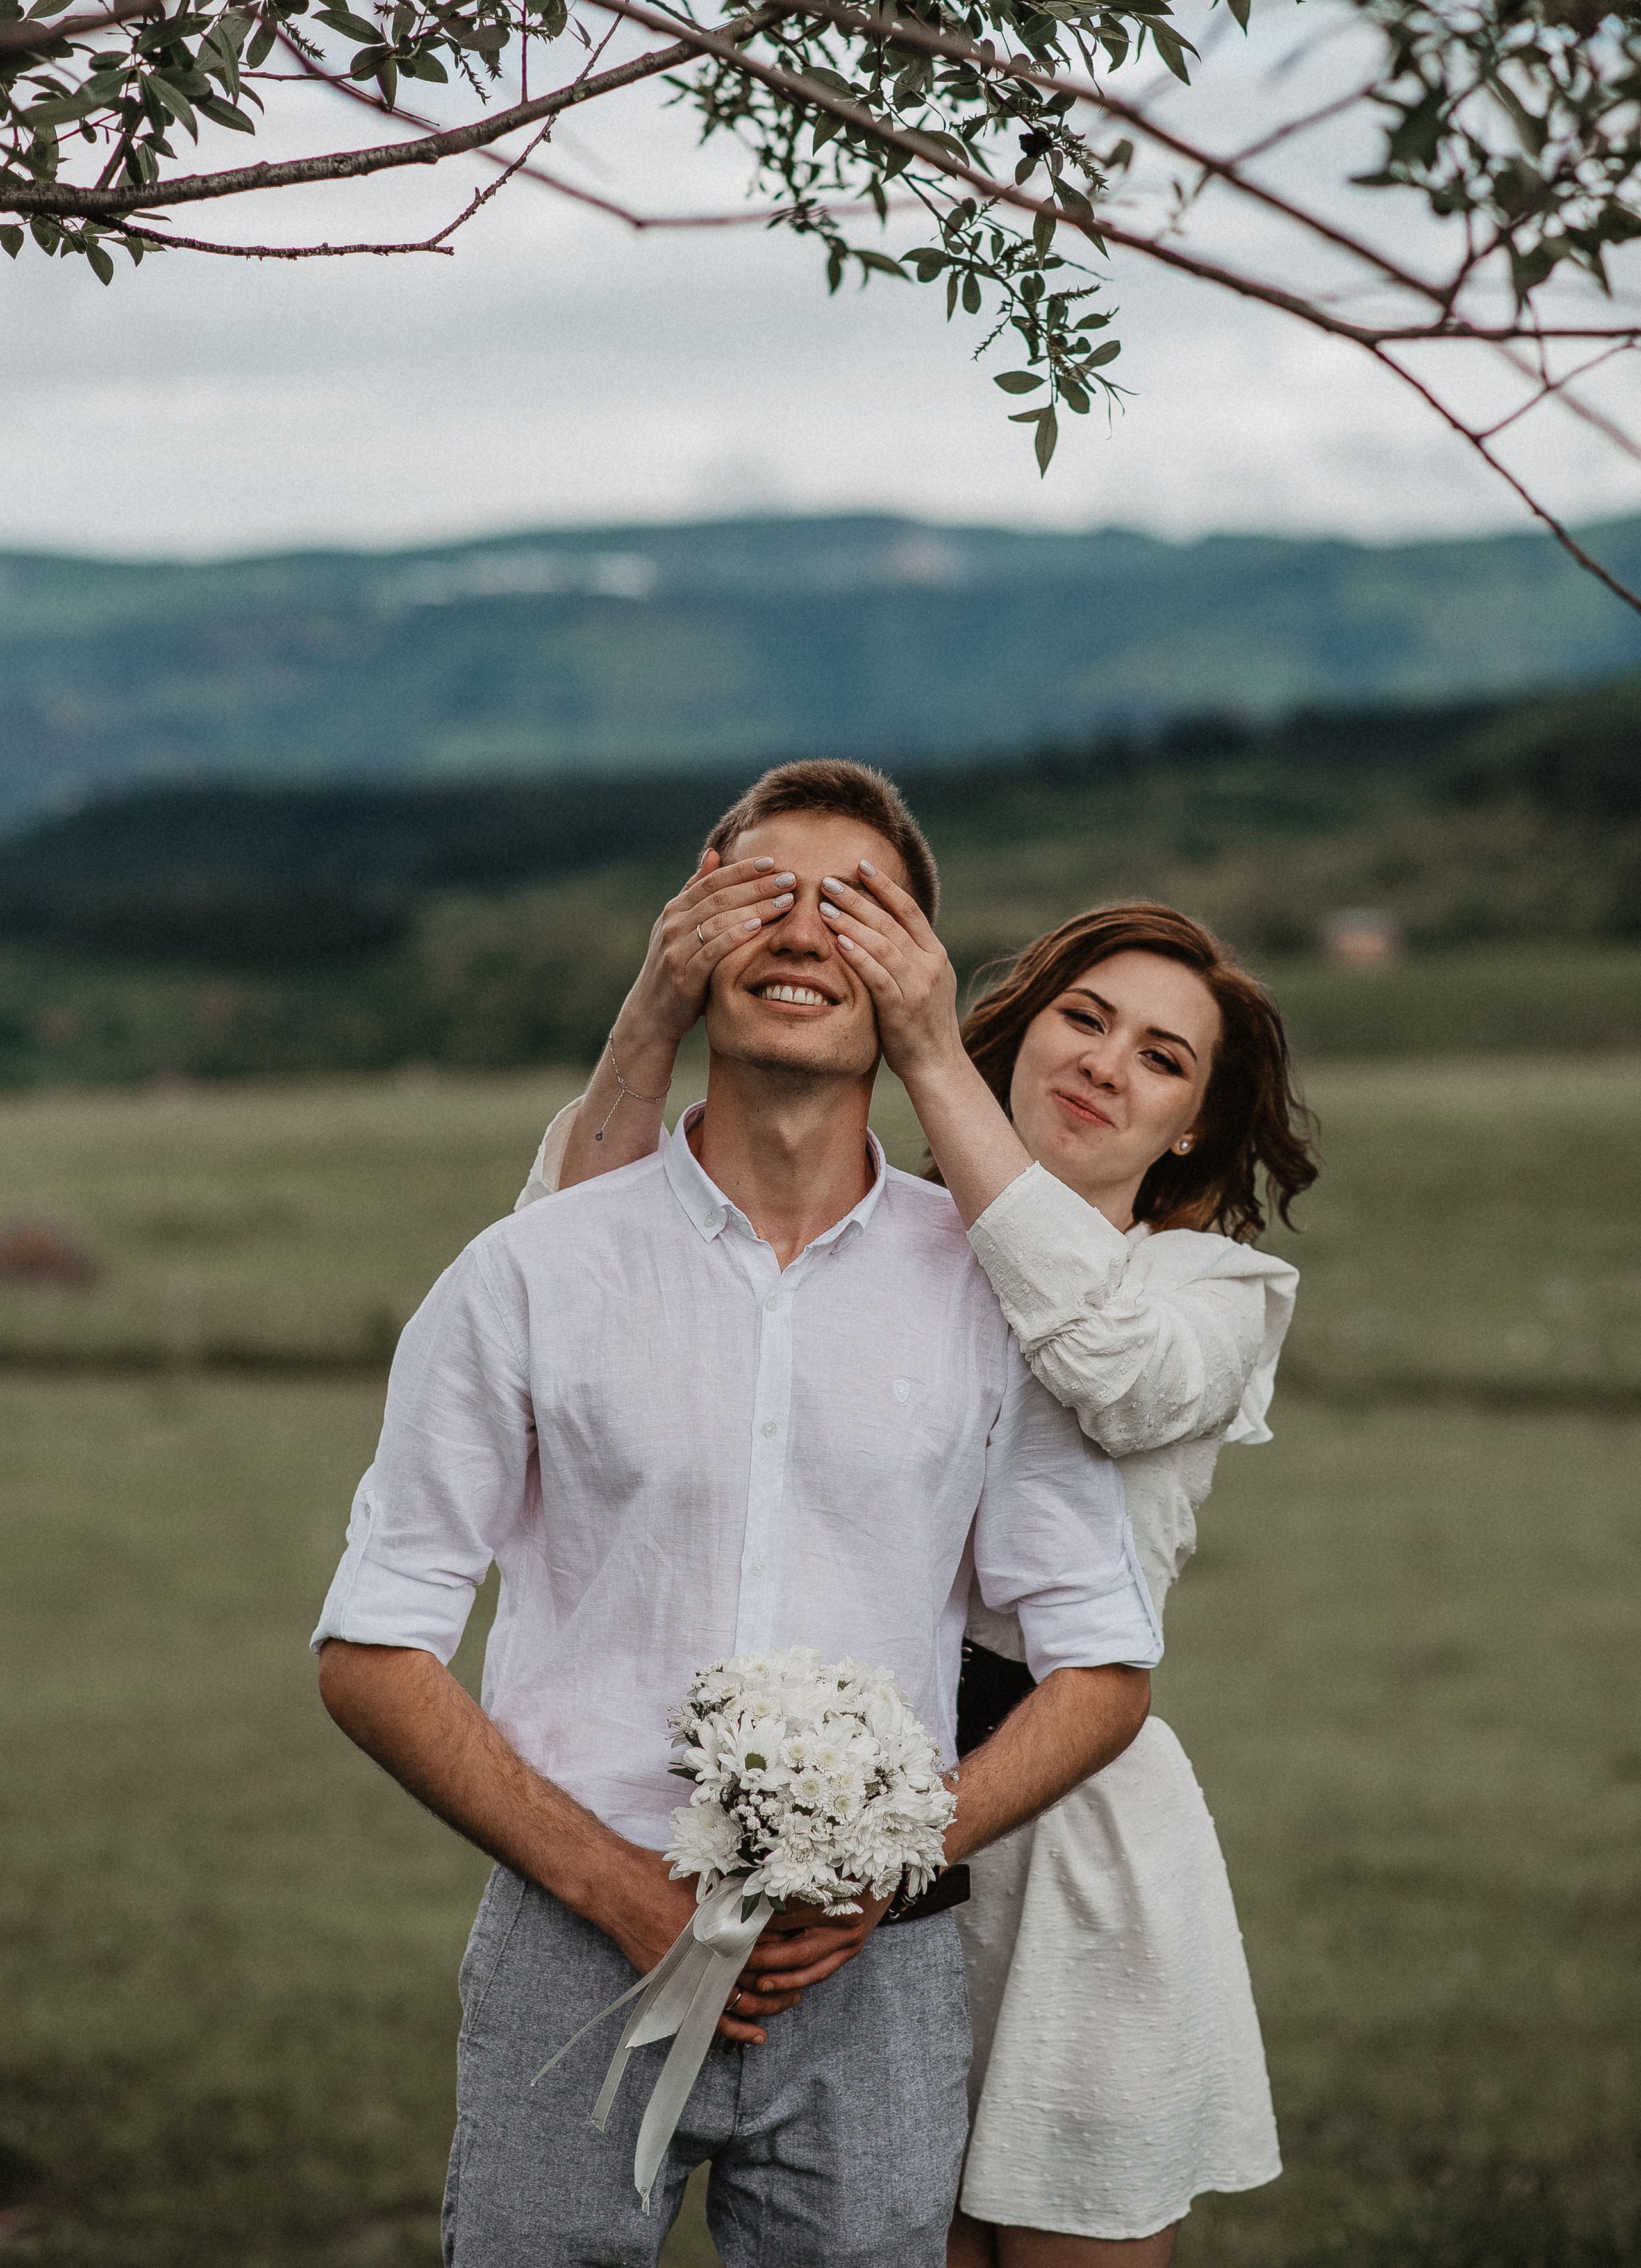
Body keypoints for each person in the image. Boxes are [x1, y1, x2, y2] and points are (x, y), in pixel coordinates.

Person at [312, 758, 1165, 2268]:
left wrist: (905, 1855)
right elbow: (372, 1646)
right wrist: (609, 1886)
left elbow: (1102, 1664)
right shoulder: (526, 1273)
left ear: (912, 981)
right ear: (685, 944)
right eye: (755, 896)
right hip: (569, 1956)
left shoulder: (990, 1294)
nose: (799, 931)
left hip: (876, 1980)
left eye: (854, 908)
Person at [527, 842, 1315, 2268]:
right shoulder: (879, 1238)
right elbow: (579, 1272)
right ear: (1027, 1025)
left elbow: (1108, 1369)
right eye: (1080, 1017)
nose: (1103, 1065)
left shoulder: (1210, 1295)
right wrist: (663, 1005)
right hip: (839, 1826)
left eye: (1160, 1059)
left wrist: (931, 1057)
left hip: (1066, 1838)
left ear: (1193, 1129)